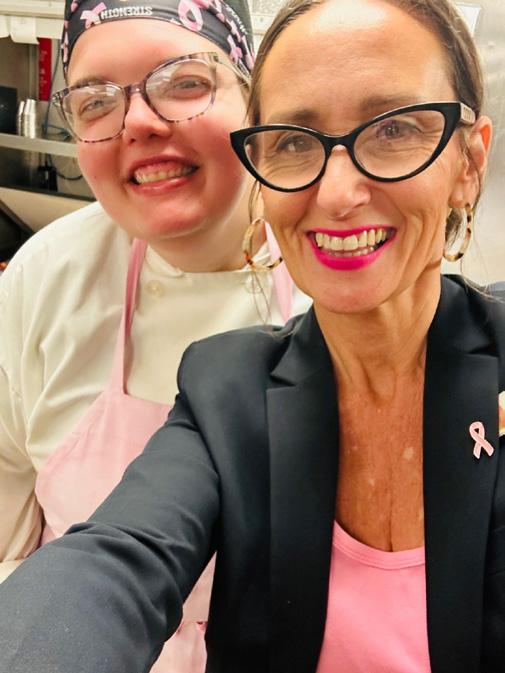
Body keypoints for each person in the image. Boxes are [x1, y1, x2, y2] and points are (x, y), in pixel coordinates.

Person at [0, 0, 504, 671]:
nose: (337, 193)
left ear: (468, 161)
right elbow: (113, 558)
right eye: (295, 142)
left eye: (393, 129)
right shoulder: (222, 385)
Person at [0, 0, 309, 671]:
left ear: (253, 99)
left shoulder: (331, 276)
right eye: (95, 101)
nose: (138, 122)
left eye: (185, 82)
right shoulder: (45, 277)